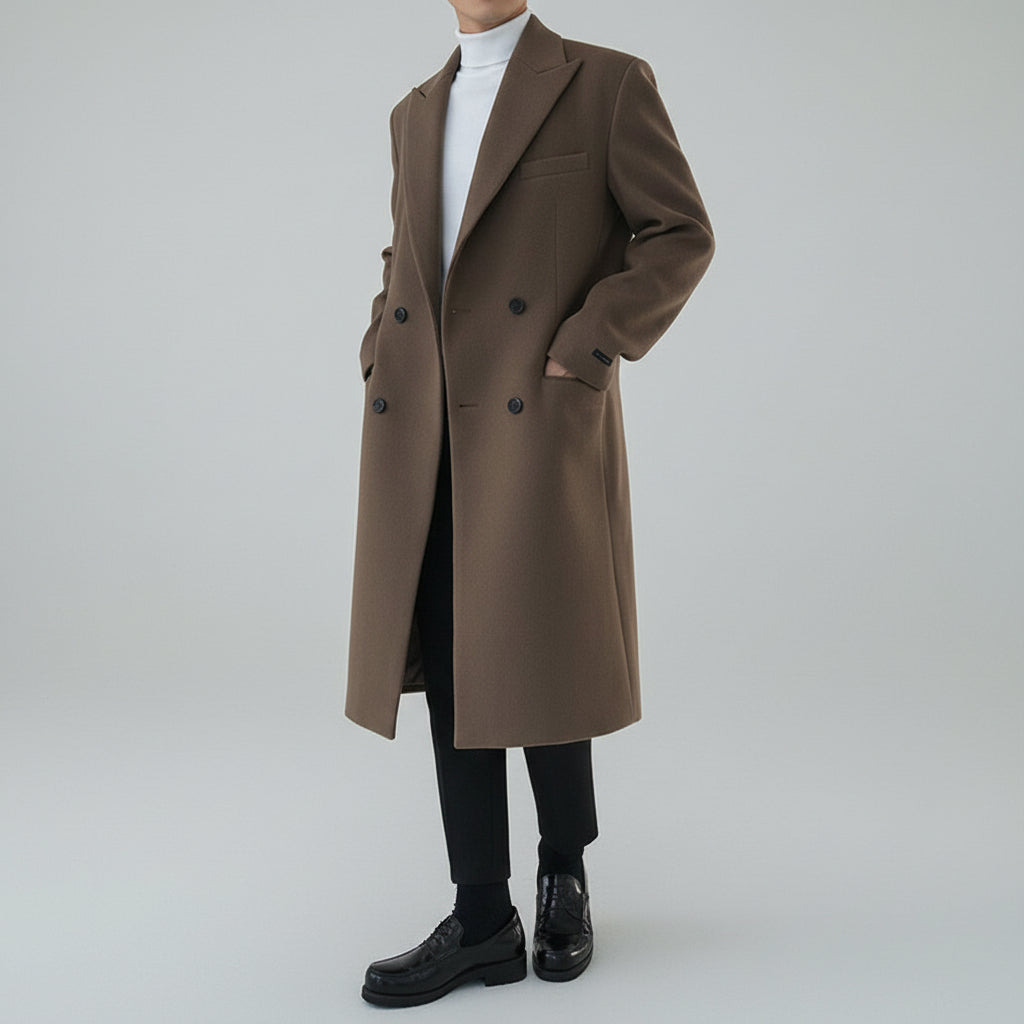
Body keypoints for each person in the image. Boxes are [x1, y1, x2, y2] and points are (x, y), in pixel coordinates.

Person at [346, 0, 714, 1007]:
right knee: (451, 655)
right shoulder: (414, 112)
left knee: (541, 639)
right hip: (425, 420)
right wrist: (380, 342)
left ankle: (563, 872)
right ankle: (481, 918)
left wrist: (589, 346)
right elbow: (408, 254)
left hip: (531, 411)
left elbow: (679, 233)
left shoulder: (605, 83)